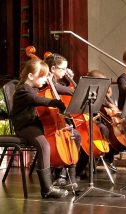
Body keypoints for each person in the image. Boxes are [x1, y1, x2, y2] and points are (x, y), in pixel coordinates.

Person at [12, 59, 68, 198]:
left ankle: (66, 175)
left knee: (71, 135)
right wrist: (55, 102)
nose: (45, 79)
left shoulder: (35, 87)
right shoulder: (23, 90)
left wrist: (70, 91)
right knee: (44, 146)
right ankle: (46, 189)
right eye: (42, 76)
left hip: (35, 124)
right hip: (25, 126)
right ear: (31, 76)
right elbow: (36, 99)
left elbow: (47, 90)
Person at [44, 53, 81, 188]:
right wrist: (75, 90)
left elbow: (61, 88)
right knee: (73, 135)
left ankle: (68, 175)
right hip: (43, 122)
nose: (65, 71)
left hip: (55, 121)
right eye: (63, 69)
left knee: (75, 135)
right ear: (52, 68)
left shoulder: (55, 81)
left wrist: (70, 80)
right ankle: (62, 174)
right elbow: (59, 89)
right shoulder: (45, 81)